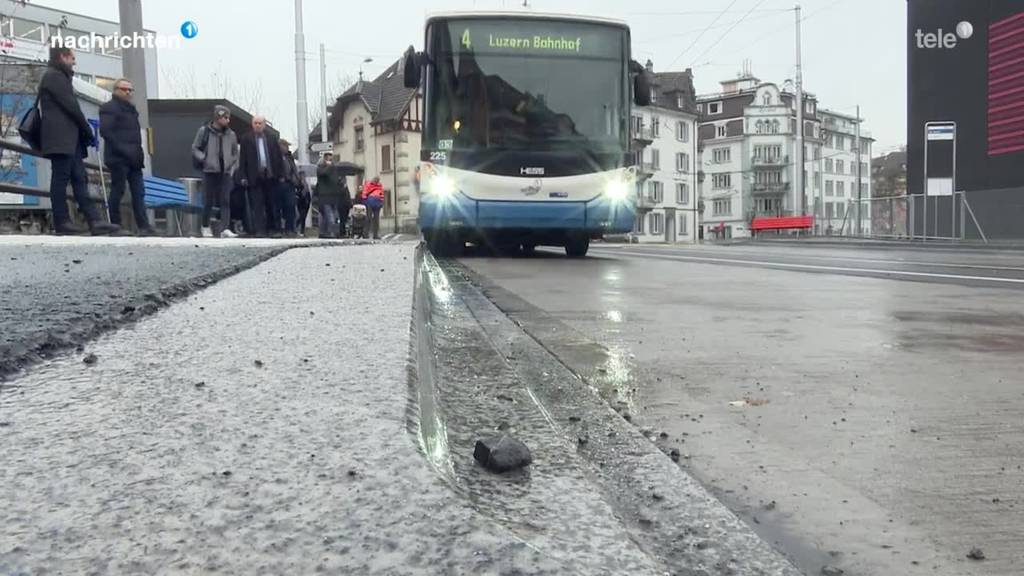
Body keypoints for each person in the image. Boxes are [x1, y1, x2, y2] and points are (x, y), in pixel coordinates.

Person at [38, 46, 119, 236]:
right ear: (62, 57)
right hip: (60, 138)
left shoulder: (59, 76)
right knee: (61, 178)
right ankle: (62, 221)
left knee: (79, 178)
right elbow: (71, 106)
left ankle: (94, 221)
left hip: (67, 139)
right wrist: (87, 131)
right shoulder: (55, 76)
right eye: (72, 58)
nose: (75, 62)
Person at [99, 78, 154, 235]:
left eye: (130, 90)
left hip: (134, 159)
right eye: (124, 89)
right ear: (116, 90)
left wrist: (137, 153)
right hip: (118, 158)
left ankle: (144, 226)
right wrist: (123, 149)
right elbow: (106, 131)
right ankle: (115, 225)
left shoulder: (131, 110)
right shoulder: (109, 108)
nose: (128, 92)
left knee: (139, 192)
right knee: (118, 190)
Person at [191, 105, 239, 238]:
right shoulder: (204, 131)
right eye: (225, 117)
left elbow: (235, 152)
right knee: (208, 200)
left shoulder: (231, 134)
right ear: (218, 117)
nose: (228, 120)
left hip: (225, 172)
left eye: (228, 118)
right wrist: (204, 158)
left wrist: (231, 163)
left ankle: (225, 228)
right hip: (209, 170)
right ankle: (205, 226)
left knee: (225, 200)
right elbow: (195, 148)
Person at [237, 115, 283, 236]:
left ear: (264, 125)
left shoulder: (272, 138)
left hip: (270, 175)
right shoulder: (246, 139)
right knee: (257, 204)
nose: (257, 125)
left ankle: (273, 229)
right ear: (252, 124)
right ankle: (260, 230)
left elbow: (278, 157)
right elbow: (242, 159)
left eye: (260, 123)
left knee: (271, 204)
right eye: (255, 123)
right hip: (254, 176)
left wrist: (280, 174)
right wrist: (243, 176)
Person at [314, 152, 349, 238]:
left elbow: (335, 182)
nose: (330, 161)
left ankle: (323, 233)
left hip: (333, 197)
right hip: (325, 196)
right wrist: (329, 167)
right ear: (324, 160)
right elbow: (323, 174)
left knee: (328, 216)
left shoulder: (334, 170)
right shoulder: (320, 168)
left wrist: (341, 184)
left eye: (331, 159)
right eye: (328, 159)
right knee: (330, 216)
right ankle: (331, 232)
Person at [276, 139, 300, 237]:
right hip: (278, 184)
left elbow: (294, 169)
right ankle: (279, 229)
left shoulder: (290, 157)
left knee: (291, 206)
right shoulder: (275, 156)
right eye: (285, 146)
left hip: (290, 184)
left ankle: (290, 228)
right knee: (278, 207)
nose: (286, 148)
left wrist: (296, 180)